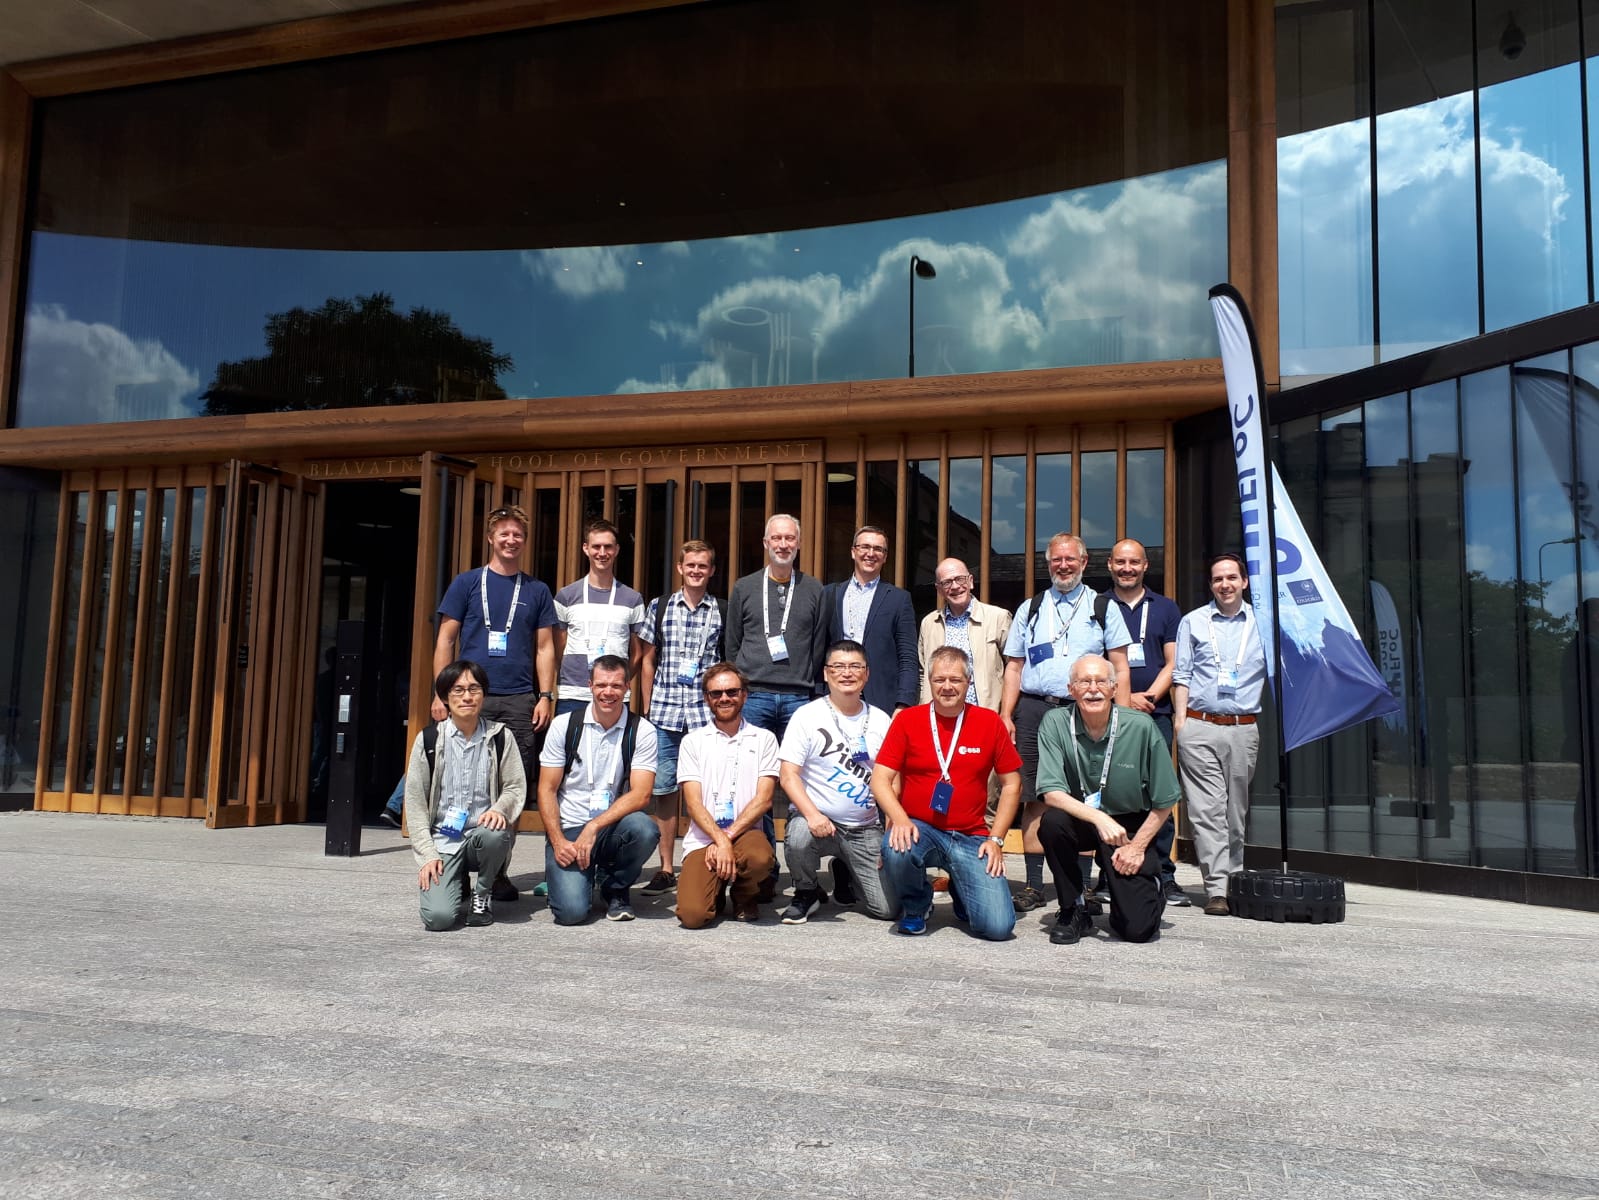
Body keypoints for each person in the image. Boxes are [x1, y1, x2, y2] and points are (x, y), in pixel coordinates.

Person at [999, 532, 1132, 913]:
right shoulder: (1032, 607)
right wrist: (1006, 714)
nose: (1063, 566)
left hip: (1085, 711)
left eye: (1070, 559)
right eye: (1056, 559)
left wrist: (1117, 717)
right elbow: (1014, 666)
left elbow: (1120, 667)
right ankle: (1033, 884)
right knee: (1033, 797)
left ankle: (1084, 885)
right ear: (1049, 562)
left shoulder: (1103, 607)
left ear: (1084, 562)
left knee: (1085, 794)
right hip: (1035, 709)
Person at [433, 503, 557, 899]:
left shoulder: (537, 589)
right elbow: (445, 640)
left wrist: (546, 696)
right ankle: (458, 866)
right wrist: (440, 693)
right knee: (461, 785)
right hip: (470, 698)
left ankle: (497, 870)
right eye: (503, 533)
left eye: (517, 534)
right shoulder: (467, 583)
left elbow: (544, 648)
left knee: (510, 788)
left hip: (520, 699)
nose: (511, 540)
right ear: (491, 538)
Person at [872, 646, 1022, 940]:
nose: (947, 687)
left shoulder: (989, 722)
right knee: (895, 846)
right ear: (929, 682)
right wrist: (899, 819)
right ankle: (917, 907)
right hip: (920, 828)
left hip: (971, 835)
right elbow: (880, 779)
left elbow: (1012, 785)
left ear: (968, 682)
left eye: (955, 679)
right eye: (939, 680)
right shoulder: (907, 720)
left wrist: (996, 839)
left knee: (998, 928)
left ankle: (962, 889)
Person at [1035, 655, 1180, 945]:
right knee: (1052, 823)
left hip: (1130, 824)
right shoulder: (1055, 722)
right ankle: (1073, 907)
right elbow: (1051, 792)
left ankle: (1144, 890)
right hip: (1085, 817)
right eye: (1084, 682)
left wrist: (1137, 848)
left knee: (1138, 930)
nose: (1093, 689)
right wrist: (1100, 818)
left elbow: (1165, 800)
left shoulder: (1141, 727)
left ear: (1114, 688)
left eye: (1101, 681)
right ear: (1071, 689)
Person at [1171, 553, 1268, 916]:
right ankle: (1217, 890)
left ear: (1244, 582)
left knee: (1235, 811)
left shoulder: (1263, 624)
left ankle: (1235, 880)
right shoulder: (1193, 622)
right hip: (1199, 724)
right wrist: (1181, 722)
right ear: (1211, 585)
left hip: (1243, 729)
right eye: (1217, 579)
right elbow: (1181, 674)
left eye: (1231, 577)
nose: (1224, 584)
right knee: (1206, 810)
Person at [777, 639, 898, 924]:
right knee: (798, 836)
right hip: (819, 823)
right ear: (826, 673)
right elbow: (788, 775)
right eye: (839, 666)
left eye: (855, 666)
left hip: (864, 827)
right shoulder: (806, 716)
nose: (847, 673)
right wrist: (812, 814)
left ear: (866, 674)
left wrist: (892, 824)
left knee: (887, 910)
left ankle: (846, 870)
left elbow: (893, 779)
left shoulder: (881, 720)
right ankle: (806, 891)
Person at [536, 655, 660, 924]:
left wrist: (593, 827)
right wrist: (558, 841)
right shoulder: (564, 725)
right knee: (571, 914)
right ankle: (572, 879)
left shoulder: (642, 730)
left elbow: (642, 794)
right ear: (590, 685)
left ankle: (614, 886)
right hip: (569, 828)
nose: (608, 692)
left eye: (616, 686)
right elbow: (546, 790)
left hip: (610, 826)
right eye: (602, 685)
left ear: (627, 687)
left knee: (644, 829)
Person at [404, 659, 527, 931]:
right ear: (446, 697)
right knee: (438, 918)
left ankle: (482, 893)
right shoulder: (428, 740)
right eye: (458, 690)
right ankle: (456, 879)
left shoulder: (500, 736)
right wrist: (427, 855)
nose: (467, 696)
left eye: (474, 689)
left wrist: (500, 809)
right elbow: (414, 802)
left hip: (480, 838)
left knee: (495, 833)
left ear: (484, 694)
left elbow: (515, 787)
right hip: (442, 840)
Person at [1103, 538, 1188, 907]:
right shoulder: (1098, 604)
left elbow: (1174, 662)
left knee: (1159, 794)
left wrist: (1149, 697)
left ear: (1144, 566)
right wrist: (1123, 700)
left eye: (1133, 562)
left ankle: (1165, 876)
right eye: (1120, 562)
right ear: (1110, 565)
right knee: (1112, 793)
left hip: (1157, 715)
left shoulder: (1167, 608)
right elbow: (1096, 660)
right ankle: (1109, 876)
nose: (1127, 568)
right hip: (1108, 715)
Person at [637, 539, 724, 897]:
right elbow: (646, 659)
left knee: (707, 791)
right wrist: (645, 708)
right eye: (690, 565)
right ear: (680, 568)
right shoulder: (659, 607)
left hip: (705, 716)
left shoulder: (722, 610)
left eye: (703, 566)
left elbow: (724, 662)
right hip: (665, 712)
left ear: (711, 570)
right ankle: (666, 867)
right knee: (665, 791)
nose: (696, 571)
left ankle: (706, 859)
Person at [675, 663, 780, 928]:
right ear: (706, 698)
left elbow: (764, 799)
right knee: (692, 916)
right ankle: (716, 890)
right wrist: (718, 840)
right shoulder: (693, 741)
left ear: (745, 695)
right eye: (716, 693)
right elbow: (693, 803)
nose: (724, 698)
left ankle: (744, 896)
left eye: (732, 692)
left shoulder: (764, 738)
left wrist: (726, 839)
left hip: (746, 835)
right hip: (702, 839)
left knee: (759, 857)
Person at [724, 513, 826, 742]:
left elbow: (818, 644)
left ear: (798, 543)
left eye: (789, 538)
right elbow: (732, 643)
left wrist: (815, 690)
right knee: (753, 766)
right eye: (776, 538)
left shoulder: (814, 589)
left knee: (795, 768)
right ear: (766, 543)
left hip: (798, 697)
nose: (783, 545)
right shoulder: (744, 587)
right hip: (753, 695)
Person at [553, 518, 646, 717]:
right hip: (573, 694)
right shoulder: (565, 596)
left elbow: (637, 653)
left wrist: (618, 680)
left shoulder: (633, 599)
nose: (602, 553)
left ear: (617, 550)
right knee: (571, 748)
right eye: (596, 546)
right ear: (585, 548)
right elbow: (558, 647)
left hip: (615, 695)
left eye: (608, 547)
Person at [824, 525, 918, 715]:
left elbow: (907, 656)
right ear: (853, 552)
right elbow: (819, 648)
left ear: (885, 557)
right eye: (864, 547)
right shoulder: (829, 594)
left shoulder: (899, 599)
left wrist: (904, 703)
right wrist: (818, 694)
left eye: (878, 549)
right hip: (835, 694)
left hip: (881, 699)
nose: (870, 553)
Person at [917, 558, 1011, 710]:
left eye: (960, 579)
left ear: (971, 582)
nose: (955, 586)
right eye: (947, 582)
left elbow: (1014, 669)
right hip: (939, 716)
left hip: (985, 713)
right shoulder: (929, 623)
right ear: (939, 589)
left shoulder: (998, 618)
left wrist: (1006, 713)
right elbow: (923, 672)